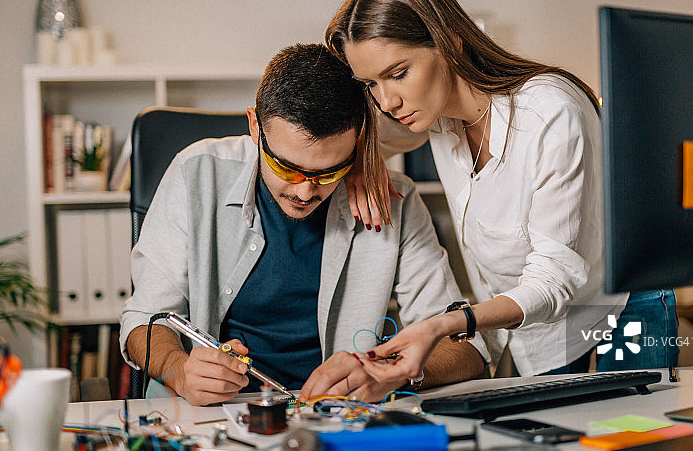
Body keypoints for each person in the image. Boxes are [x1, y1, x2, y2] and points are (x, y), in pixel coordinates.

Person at [325, 0, 679, 382]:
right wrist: (359, 163)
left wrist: (443, 324)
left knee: (632, 438)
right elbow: (346, 136)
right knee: (556, 441)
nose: (386, 102)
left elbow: (553, 278)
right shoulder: (429, 115)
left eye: (397, 74)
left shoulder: (550, 113)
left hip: (621, 306)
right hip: (535, 324)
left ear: (449, 42)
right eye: (370, 84)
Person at [120, 43, 487, 406]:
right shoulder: (196, 174)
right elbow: (144, 320)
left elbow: (467, 349)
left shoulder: (392, 202)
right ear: (254, 126)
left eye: (330, 171)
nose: (305, 191)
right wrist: (179, 369)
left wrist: (390, 370)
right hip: (208, 414)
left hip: (335, 416)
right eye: (286, 167)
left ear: (357, 144)